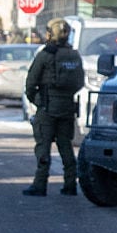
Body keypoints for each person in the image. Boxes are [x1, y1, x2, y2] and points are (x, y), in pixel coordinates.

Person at [23, 17, 84, 197]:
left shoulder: (45, 55)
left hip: (48, 107)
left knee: (43, 147)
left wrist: (38, 101)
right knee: (66, 146)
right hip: (67, 107)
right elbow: (79, 82)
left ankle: (40, 184)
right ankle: (70, 184)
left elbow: (30, 82)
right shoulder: (74, 55)